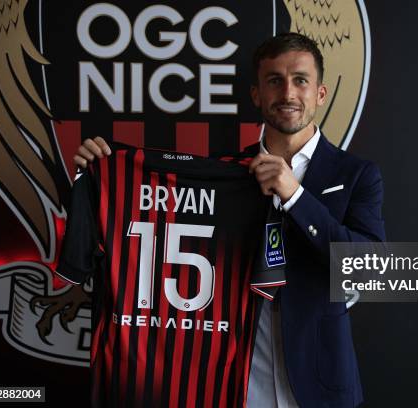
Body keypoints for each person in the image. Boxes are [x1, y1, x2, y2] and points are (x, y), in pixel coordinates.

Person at [74, 32, 385, 407]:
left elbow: (371, 268)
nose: (288, 93)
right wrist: (102, 172)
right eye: (275, 81)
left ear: (320, 93)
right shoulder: (223, 175)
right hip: (232, 378)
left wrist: (296, 196)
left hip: (319, 383)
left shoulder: (356, 174)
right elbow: (157, 228)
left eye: (300, 80)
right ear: (256, 94)